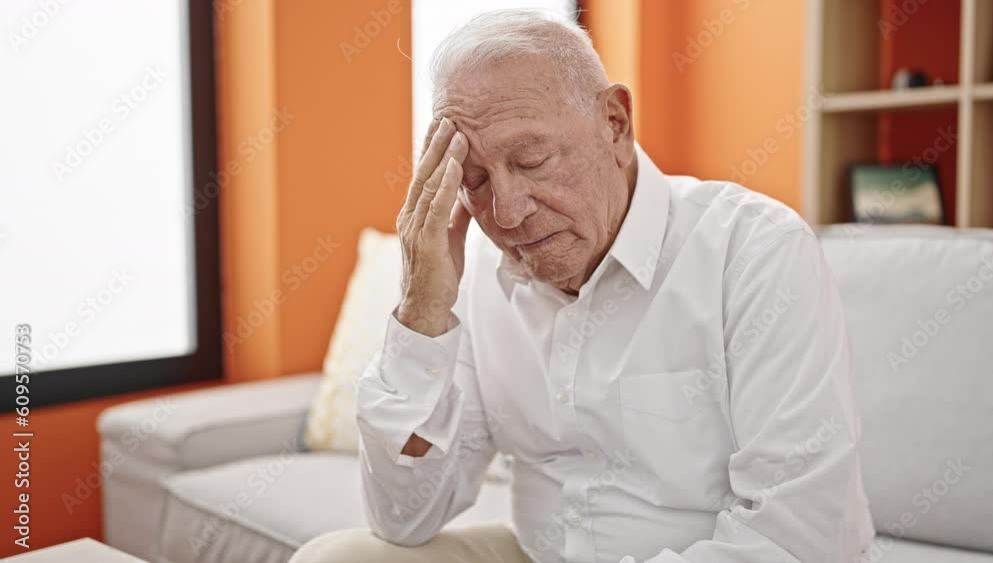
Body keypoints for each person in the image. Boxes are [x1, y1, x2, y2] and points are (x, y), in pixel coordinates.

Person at [291, 8, 873, 563]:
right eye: (473, 180)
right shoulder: (475, 280)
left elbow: (800, 539)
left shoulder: (753, 251)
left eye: (532, 160)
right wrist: (421, 315)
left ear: (615, 124)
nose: (508, 212)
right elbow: (403, 519)